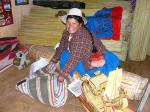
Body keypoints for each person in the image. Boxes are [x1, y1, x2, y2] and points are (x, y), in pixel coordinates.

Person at [47, 8, 120, 82]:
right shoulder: (66, 32)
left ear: (80, 24)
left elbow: (74, 58)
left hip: (93, 56)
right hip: (79, 53)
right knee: (63, 53)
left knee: (82, 71)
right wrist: (53, 61)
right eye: (68, 23)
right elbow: (62, 46)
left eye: (74, 23)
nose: (70, 26)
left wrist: (63, 75)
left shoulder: (82, 37)